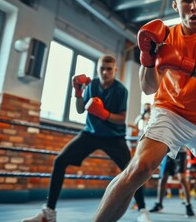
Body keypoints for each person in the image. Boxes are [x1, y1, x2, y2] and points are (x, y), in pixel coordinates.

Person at [92, 0, 196, 221]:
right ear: (176, 5)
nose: (194, 6)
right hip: (170, 112)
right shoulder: (165, 37)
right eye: (187, 0)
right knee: (139, 169)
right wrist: (147, 57)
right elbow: (148, 87)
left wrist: (183, 63)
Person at [21, 55, 151, 222]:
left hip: (114, 137)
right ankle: (49, 213)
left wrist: (104, 114)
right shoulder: (92, 85)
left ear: (115, 70)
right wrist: (77, 93)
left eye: (109, 69)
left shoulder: (121, 90)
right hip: (90, 133)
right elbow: (81, 109)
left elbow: (122, 118)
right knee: (60, 161)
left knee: (133, 170)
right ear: (98, 69)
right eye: (102, 68)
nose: (105, 72)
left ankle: (142, 211)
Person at [149, 147, 195, 217]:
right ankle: (159, 204)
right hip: (168, 153)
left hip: (180, 152)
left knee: (181, 178)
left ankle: (188, 205)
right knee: (163, 178)